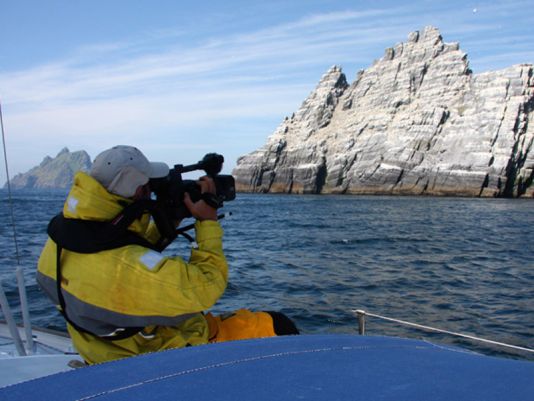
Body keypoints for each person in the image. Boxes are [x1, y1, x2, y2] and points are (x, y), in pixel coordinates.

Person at [37, 145, 298, 364]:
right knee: (277, 325)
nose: (151, 192)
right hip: (153, 354)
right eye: (148, 188)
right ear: (139, 191)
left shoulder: (59, 242)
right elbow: (207, 286)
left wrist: (168, 221)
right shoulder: (123, 266)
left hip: (103, 353)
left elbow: (119, 252)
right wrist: (207, 222)